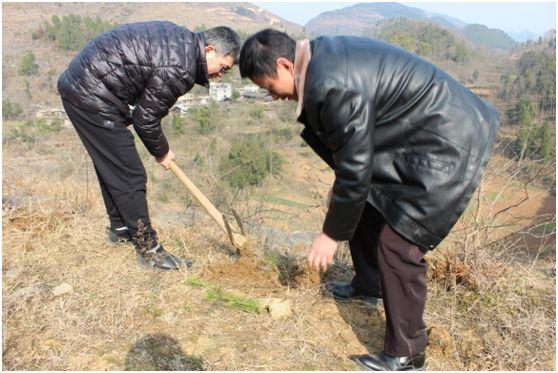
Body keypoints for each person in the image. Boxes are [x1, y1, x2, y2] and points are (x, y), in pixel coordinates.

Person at [239, 29, 498, 370]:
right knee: (363, 203)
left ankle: (407, 352)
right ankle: (370, 284)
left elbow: (356, 168)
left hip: (448, 142)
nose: (273, 97)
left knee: (399, 243)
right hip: (414, 137)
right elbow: (353, 154)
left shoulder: (329, 83)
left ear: (286, 65)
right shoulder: (321, 61)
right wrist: (344, 183)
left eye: (269, 87)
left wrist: (330, 236)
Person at [58, 21, 240, 270]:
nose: (219, 75)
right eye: (222, 68)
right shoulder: (182, 67)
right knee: (130, 175)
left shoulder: (182, 43)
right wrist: (162, 152)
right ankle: (150, 252)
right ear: (209, 50)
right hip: (91, 94)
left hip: (83, 85)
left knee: (114, 167)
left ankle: (121, 230)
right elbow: (145, 119)